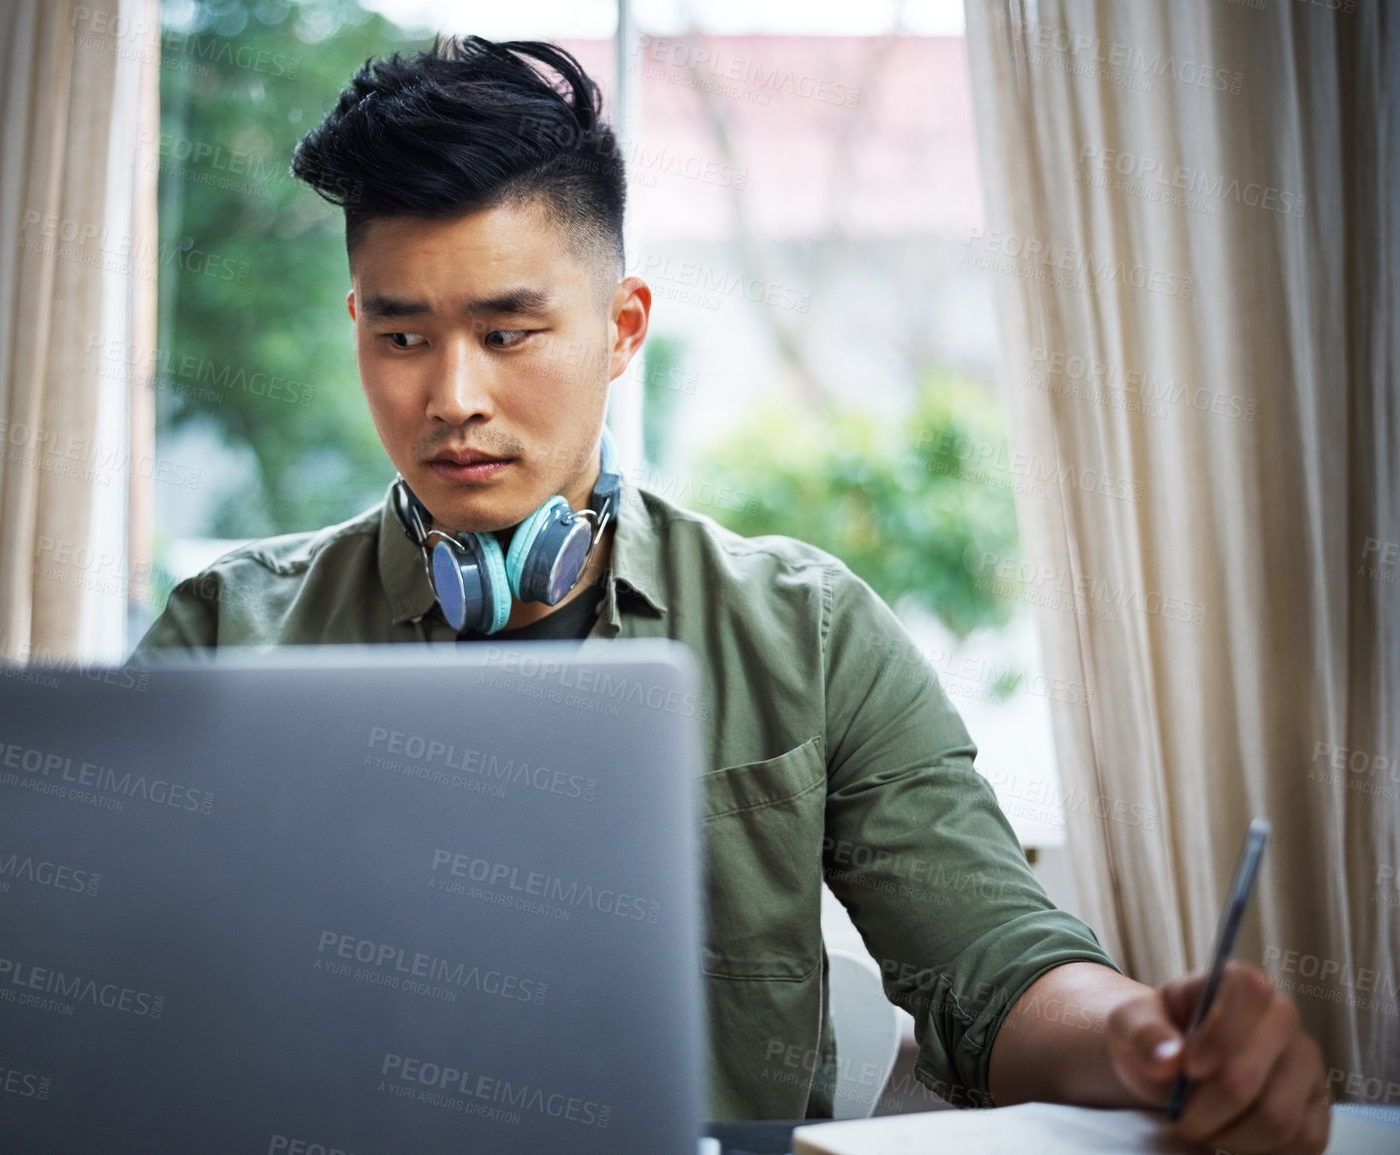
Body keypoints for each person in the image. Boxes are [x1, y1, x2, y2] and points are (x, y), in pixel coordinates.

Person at [130, 34, 1330, 1154]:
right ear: (357, 331)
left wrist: (1141, 1042)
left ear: (621, 328)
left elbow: (995, 970)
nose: (452, 397)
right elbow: (106, 984)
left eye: (509, 333)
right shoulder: (225, 633)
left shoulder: (805, 630)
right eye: (403, 338)